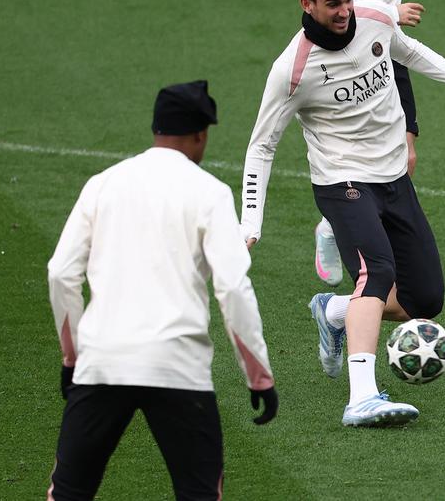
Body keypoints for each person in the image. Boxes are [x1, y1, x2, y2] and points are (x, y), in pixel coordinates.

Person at [240, 0, 445, 426]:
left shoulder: (374, 18)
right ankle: (361, 398)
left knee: (424, 299)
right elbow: (261, 148)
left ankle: (334, 311)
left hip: (393, 177)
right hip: (342, 182)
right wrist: (250, 223)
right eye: (333, 4)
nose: (344, 11)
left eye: (348, 0)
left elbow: (408, 52)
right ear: (307, 4)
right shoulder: (292, 70)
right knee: (375, 271)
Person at [47, 81, 276, 501]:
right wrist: (258, 378)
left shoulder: (103, 184)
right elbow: (232, 288)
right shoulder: (211, 193)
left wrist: (72, 358)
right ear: (200, 135)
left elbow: (61, 273)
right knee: (199, 493)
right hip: (177, 367)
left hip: (102, 362)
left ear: (156, 127)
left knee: (69, 493)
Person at [308, 0, 426, 288]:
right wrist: (386, 10)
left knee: (405, 152)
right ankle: (335, 228)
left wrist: (388, 21)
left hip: (387, 48)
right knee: (354, 149)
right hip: (345, 52)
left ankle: (365, 236)